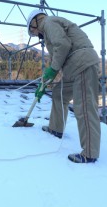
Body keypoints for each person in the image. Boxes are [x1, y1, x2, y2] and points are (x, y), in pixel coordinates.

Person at [27, 10, 101, 163]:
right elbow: (57, 57)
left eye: (33, 32)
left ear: (35, 22)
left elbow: (63, 45)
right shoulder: (49, 30)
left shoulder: (48, 23)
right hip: (72, 67)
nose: (35, 35)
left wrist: (53, 69)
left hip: (82, 63)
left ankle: (89, 153)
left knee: (84, 108)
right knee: (58, 93)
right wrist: (47, 79)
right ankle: (56, 129)